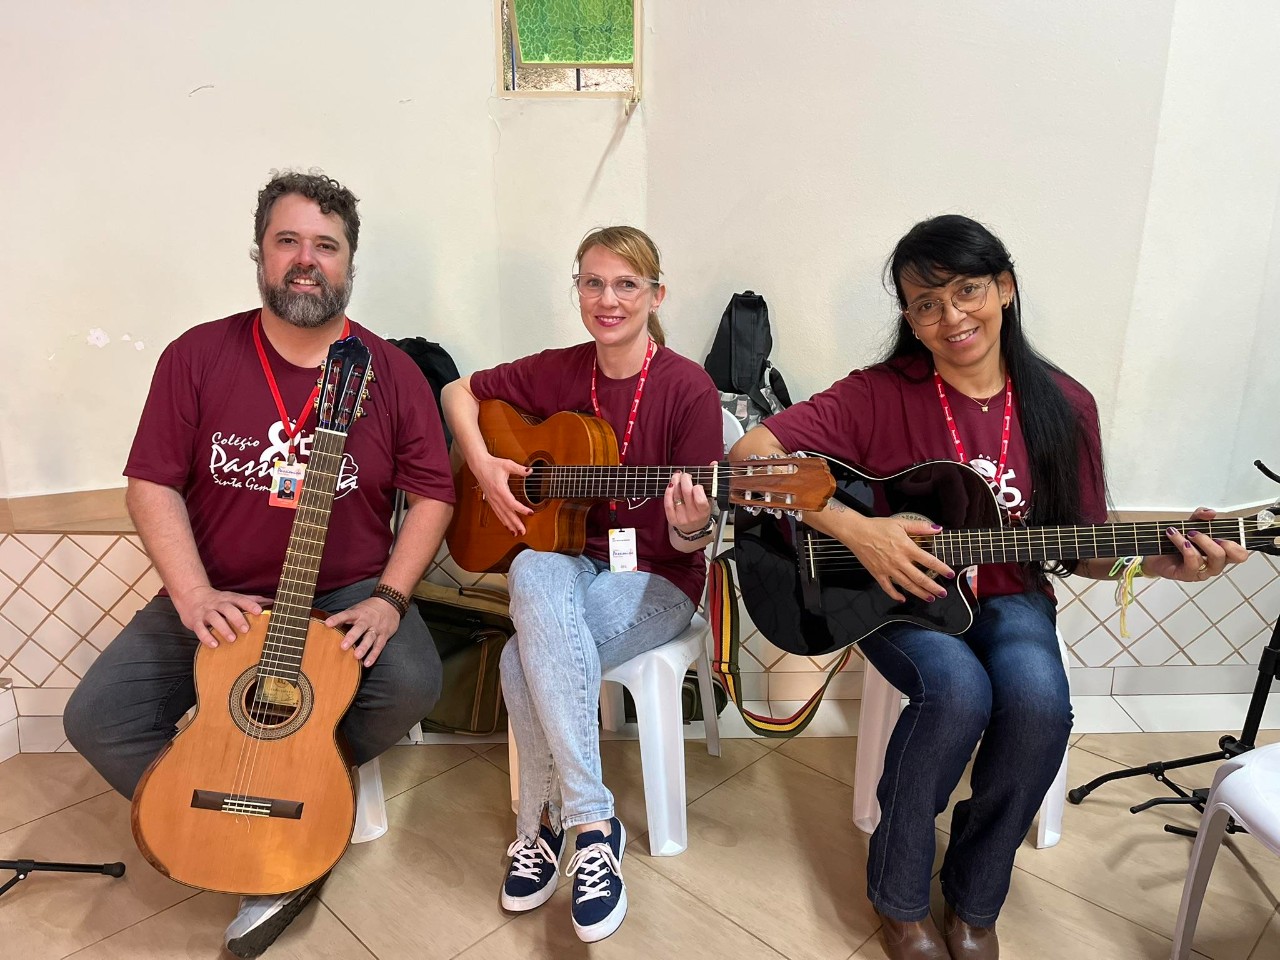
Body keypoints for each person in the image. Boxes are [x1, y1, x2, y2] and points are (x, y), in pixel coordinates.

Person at [730, 214, 1248, 960]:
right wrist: (860, 531)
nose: (951, 317)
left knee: (1039, 705)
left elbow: (1082, 546)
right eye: (926, 303)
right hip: (900, 599)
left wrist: (1159, 563)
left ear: (1004, 287)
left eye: (967, 291)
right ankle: (899, 896)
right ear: (909, 318)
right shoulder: (879, 394)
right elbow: (751, 456)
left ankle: (975, 897)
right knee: (957, 694)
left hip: (1011, 597)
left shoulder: (1064, 405)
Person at [63, 171, 456, 959]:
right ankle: (218, 810)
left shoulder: (389, 371)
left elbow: (433, 495)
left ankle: (306, 799)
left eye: (326, 245)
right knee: (96, 718)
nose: (306, 260)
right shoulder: (198, 355)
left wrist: (388, 597)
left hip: (342, 589)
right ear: (260, 253)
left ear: (349, 262)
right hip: (222, 594)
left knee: (413, 680)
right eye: (288, 241)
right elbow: (150, 484)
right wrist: (192, 593)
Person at [441, 226, 722, 943]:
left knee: (519, 657)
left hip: (658, 576)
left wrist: (690, 526)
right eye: (593, 283)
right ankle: (595, 826)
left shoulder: (687, 387)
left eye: (626, 284)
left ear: (656, 295)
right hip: (571, 561)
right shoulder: (560, 370)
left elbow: (695, 542)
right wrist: (484, 467)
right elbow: (456, 391)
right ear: (578, 290)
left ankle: (540, 827)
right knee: (531, 564)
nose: (608, 299)